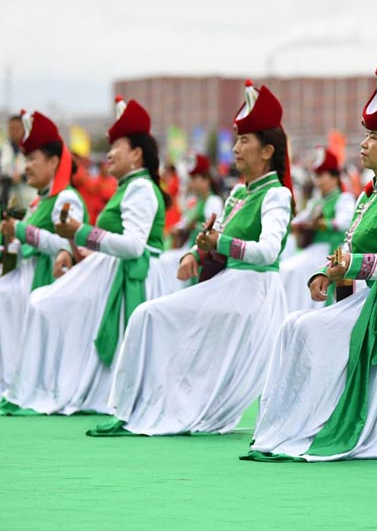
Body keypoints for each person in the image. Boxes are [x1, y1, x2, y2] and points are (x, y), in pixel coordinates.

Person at [242, 67, 377, 462]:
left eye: (373, 137)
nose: (364, 144)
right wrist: (328, 270)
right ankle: (293, 423)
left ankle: (323, 422)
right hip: (374, 297)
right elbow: (349, 244)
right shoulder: (370, 195)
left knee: (310, 329)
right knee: (295, 324)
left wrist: (354, 265)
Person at [86, 80, 293, 437]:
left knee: (152, 315)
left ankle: (144, 407)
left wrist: (221, 242)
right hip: (228, 285)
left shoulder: (277, 195)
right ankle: (137, 406)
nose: (236, 148)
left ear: (267, 151)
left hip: (253, 291)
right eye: (237, 139)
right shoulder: (238, 193)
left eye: (245, 141)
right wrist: (195, 253)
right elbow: (215, 235)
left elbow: (269, 252)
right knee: (150, 315)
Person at [3, 96, 169, 416]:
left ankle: (40, 386)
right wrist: (77, 248)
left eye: (116, 146)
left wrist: (76, 235)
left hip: (131, 277)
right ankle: (37, 385)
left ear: (136, 153)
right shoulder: (128, 187)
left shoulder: (138, 188)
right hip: (108, 272)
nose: (108, 153)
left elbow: (133, 246)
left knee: (44, 304)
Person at [0, 111, 87, 398]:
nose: (26, 166)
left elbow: (70, 246)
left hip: (50, 279)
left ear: (53, 162)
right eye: (25, 159)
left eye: (32, 158)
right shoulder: (39, 201)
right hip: (27, 274)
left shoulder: (66, 198)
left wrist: (22, 231)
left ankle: (13, 382)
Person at [280, 147, 355, 311]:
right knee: (285, 267)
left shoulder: (344, 198)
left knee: (291, 269)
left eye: (321, 176)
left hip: (332, 251)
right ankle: (292, 310)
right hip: (314, 249)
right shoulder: (317, 202)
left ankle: (306, 308)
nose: (317, 181)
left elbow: (345, 222)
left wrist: (319, 224)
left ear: (334, 177)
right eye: (316, 176)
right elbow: (299, 219)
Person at [157, 154, 224, 294]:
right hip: (189, 245)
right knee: (164, 259)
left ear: (206, 180)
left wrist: (192, 227)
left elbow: (216, 229)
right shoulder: (197, 201)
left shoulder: (213, 201)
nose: (192, 183)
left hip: (200, 250)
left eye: (195, 179)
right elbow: (184, 222)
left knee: (165, 261)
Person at [1, 114, 36, 209]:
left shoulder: (33, 149)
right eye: (11, 128)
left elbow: (40, 171)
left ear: (24, 129)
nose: (13, 132)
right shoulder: (3, 148)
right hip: (7, 198)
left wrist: (22, 177)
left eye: (17, 128)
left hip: (28, 198)